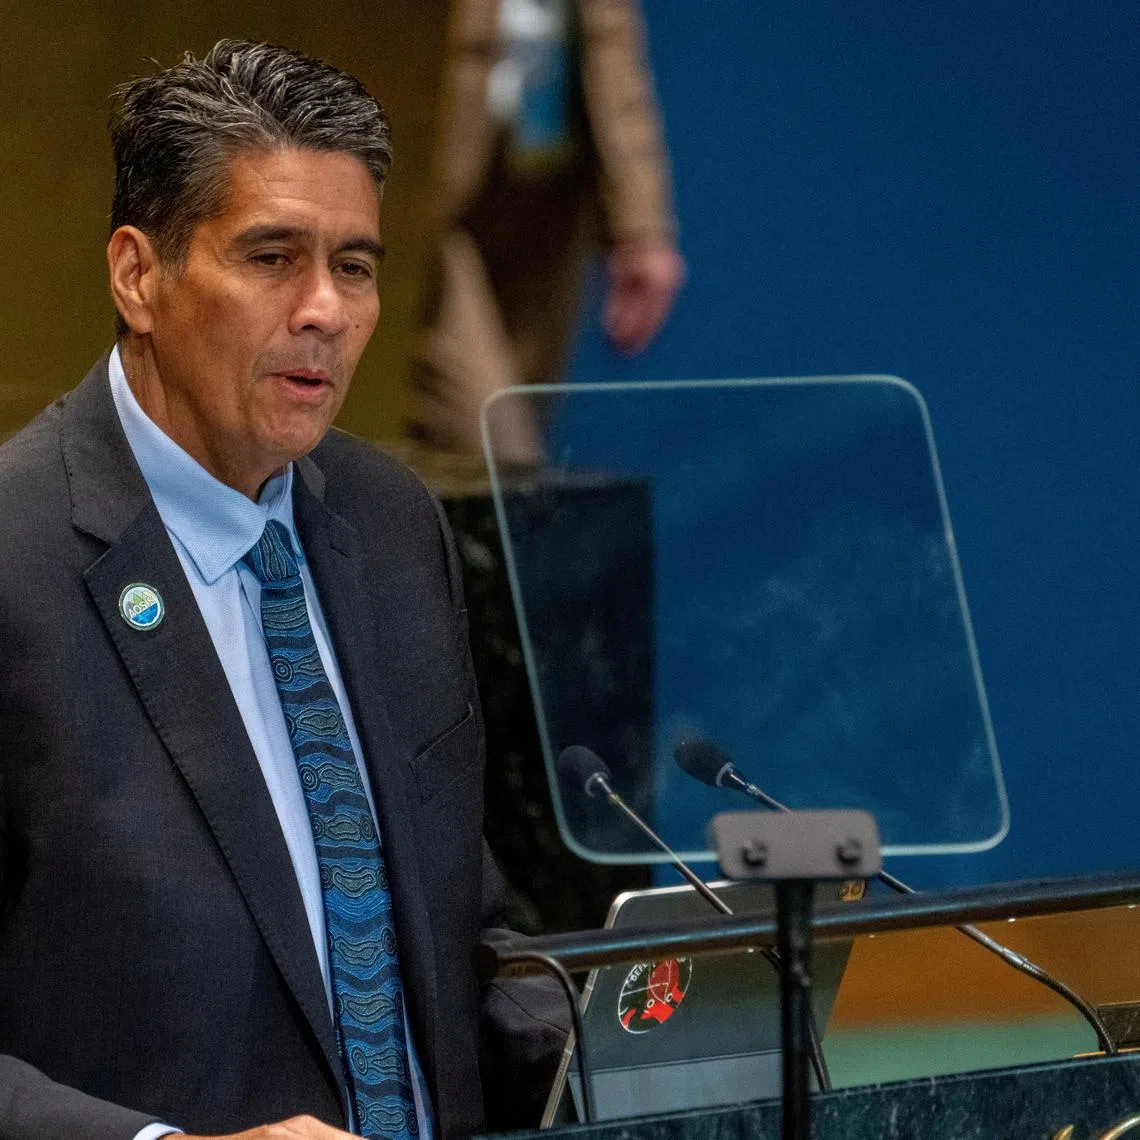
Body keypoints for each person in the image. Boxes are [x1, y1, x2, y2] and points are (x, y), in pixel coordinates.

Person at [0, 40, 565, 1140]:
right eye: (272, 257)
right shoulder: (14, 562)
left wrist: (649, 1046)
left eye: (355, 267)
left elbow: (458, 930)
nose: (326, 311)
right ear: (137, 275)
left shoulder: (392, 525)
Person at [407, 0, 685, 461]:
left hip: (549, 184)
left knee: (521, 419)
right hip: (430, 180)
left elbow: (611, 41)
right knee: (496, 449)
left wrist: (642, 226)